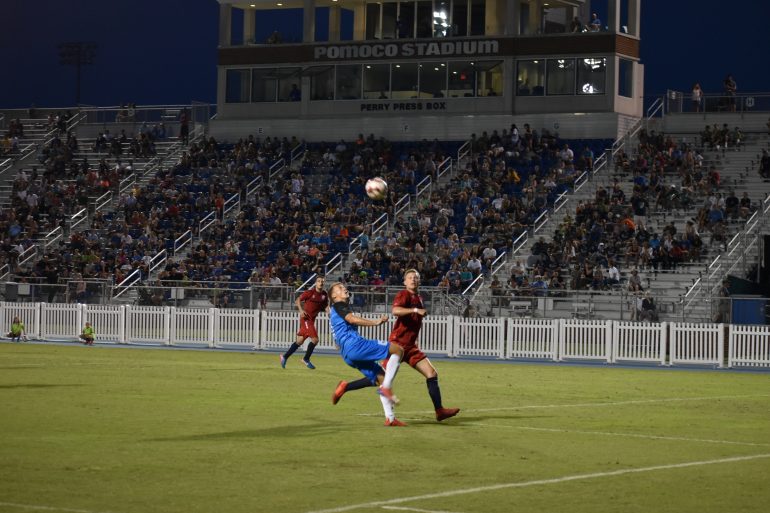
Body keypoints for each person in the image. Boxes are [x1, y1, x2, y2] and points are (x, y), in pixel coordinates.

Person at [335, 270, 460, 422]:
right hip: (398, 343)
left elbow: (413, 323)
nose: (413, 279)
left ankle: (439, 410)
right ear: (404, 282)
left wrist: (415, 337)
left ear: (419, 281)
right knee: (379, 379)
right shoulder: (404, 295)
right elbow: (395, 311)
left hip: (411, 346)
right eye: (410, 278)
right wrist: (415, 310)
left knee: (432, 374)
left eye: (416, 278)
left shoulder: (418, 298)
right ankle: (347, 387)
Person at [328, 282, 406, 427]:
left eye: (344, 286)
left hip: (347, 354)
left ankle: (390, 418)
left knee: (381, 378)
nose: (344, 288)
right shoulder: (339, 305)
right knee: (398, 350)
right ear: (334, 296)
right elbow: (351, 319)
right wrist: (375, 323)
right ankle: (386, 389)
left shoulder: (335, 309)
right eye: (339, 288)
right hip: (356, 346)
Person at [281, 275, 329, 369]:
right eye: (319, 281)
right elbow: (297, 300)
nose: (321, 282)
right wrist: (301, 311)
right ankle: (306, 359)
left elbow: (326, 306)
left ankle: (284, 357)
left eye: (322, 281)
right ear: (316, 283)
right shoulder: (310, 292)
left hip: (312, 320)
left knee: (299, 341)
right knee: (315, 340)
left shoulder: (324, 295)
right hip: (306, 319)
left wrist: (330, 313)